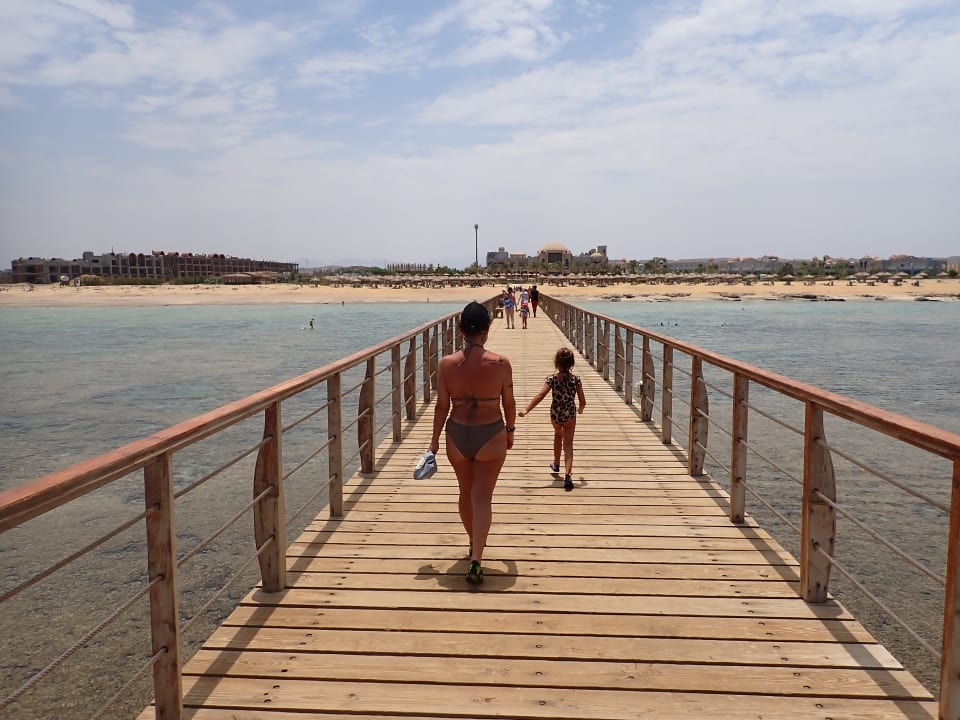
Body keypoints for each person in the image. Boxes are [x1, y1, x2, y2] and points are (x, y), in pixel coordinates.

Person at [430, 301, 516, 584]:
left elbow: (442, 406)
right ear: (488, 330)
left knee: (465, 493)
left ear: (460, 329)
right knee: (483, 497)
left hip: (457, 435)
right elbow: (509, 402)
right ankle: (477, 559)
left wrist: (433, 443)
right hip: (491, 433)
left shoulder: (446, 364)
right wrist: (511, 431)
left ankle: (472, 542)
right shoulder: (501, 363)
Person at [518, 347, 586, 491]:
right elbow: (582, 401)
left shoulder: (552, 379)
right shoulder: (576, 380)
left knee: (557, 434)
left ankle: (556, 463)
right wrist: (580, 409)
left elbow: (540, 395)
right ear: (572, 363)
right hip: (569, 414)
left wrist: (527, 410)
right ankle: (568, 475)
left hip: (555, 413)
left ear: (556, 363)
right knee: (568, 445)